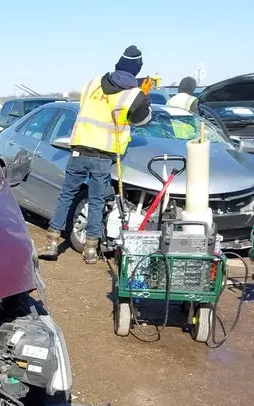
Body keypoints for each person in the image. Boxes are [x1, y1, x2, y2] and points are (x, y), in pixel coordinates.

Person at [38, 46, 152, 264]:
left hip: (79, 149)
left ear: (118, 63)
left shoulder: (92, 83)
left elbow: (84, 109)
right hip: (104, 155)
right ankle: (90, 249)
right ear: (137, 71)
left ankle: (52, 243)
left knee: (66, 196)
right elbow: (142, 120)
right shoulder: (134, 94)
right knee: (97, 199)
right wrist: (144, 95)